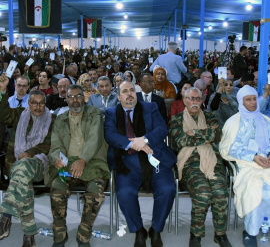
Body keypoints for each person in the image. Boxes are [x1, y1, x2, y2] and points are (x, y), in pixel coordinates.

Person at [104, 81, 176, 247]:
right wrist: (132, 144)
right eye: (125, 91)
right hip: (127, 162)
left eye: (132, 90)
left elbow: (161, 129)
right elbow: (110, 135)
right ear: (118, 96)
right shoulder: (111, 113)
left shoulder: (150, 108)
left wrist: (143, 140)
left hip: (155, 157)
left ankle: (156, 229)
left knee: (167, 189)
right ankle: (138, 230)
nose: (129, 94)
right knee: (124, 193)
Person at [46, 84, 110, 247]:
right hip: (67, 164)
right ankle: (59, 235)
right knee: (57, 188)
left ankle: (84, 235)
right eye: (71, 97)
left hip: (92, 161)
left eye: (78, 96)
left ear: (85, 97)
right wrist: (56, 159)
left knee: (95, 192)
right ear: (66, 99)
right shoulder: (60, 119)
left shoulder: (94, 113)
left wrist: (82, 160)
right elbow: (55, 145)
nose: (75, 100)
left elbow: (94, 139)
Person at [170, 87, 231, 247]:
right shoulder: (177, 119)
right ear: (184, 100)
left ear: (202, 101)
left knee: (219, 193)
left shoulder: (210, 116)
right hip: (189, 163)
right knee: (203, 193)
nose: (195, 102)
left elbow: (217, 135)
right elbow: (179, 141)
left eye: (198, 99)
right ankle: (195, 235)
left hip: (212, 161)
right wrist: (205, 136)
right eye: (191, 98)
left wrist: (193, 133)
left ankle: (220, 234)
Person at [0, 73, 55, 247]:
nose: (38, 107)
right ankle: (29, 237)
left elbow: (50, 145)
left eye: (41, 103)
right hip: (16, 165)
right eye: (34, 103)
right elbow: (3, 115)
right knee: (24, 183)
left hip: (41, 164)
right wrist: (2, 90)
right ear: (28, 104)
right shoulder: (19, 116)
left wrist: (30, 153)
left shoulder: (52, 119)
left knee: (23, 168)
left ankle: (4, 217)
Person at [220, 85, 270, 247]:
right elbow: (226, 150)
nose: (253, 102)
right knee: (256, 190)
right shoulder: (233, 122)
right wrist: (253, 157)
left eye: (254, 98)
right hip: (246, 165)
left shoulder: (266, 120)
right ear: (241, 101)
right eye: (248, 100)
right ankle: (251, 231)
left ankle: (266, 225)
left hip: (267, 163)